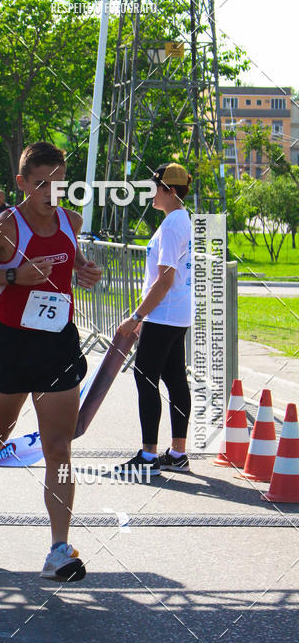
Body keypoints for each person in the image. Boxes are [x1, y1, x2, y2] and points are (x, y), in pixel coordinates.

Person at [0, 141, 102, 582]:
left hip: (56, 343)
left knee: (59, 446)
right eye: (41, 184)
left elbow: (71, 265)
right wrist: (13, 276)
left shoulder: (71, 222)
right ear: (22, 183)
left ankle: (59, 549)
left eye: (58, 185)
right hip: (12, 344)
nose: (50, 193)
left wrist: (84, 273)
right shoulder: (5, 227)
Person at [116, 162, 193, 475]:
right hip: (175, 312)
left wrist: (137, 316)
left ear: (169, 191)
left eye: (155, 188)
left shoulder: (173, 225)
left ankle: (149, 458)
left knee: (145, 377)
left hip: (164, 314)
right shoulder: (179, 219)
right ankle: (177, 453)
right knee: (174, 379)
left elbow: (164, 280)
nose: (152, 193)